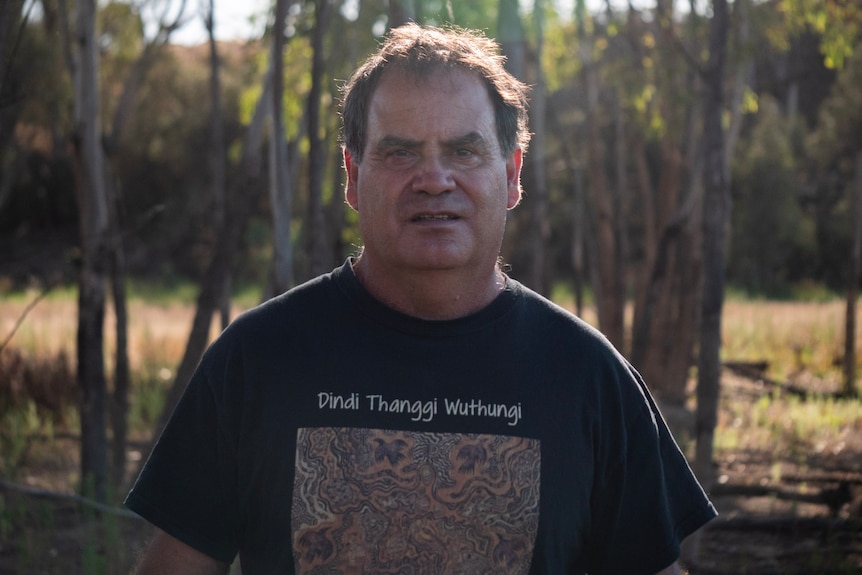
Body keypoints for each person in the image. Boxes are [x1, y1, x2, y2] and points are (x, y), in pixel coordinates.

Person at [126, 23, 716, 575]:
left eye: (464, 151)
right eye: (400, 152)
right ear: (353, 176)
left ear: (512, 175)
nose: (434, 178)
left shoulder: (590, 378)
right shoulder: (255, 361)